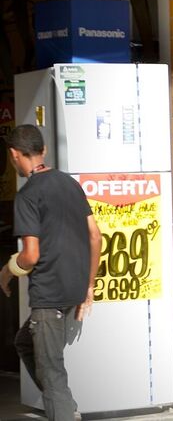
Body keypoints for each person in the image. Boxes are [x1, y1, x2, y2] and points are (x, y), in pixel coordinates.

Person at [0, 124, 101, 419]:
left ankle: (63, 408)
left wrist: (7, 271)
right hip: (74, 288)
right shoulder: (69, 183)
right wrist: (89, 286)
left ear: (14, 155)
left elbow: (31, 255)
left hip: (50, 295)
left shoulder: (27, 195)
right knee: (25, 342)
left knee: (52, 373)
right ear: (43, 150)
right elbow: (95, 236)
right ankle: (66, 407)